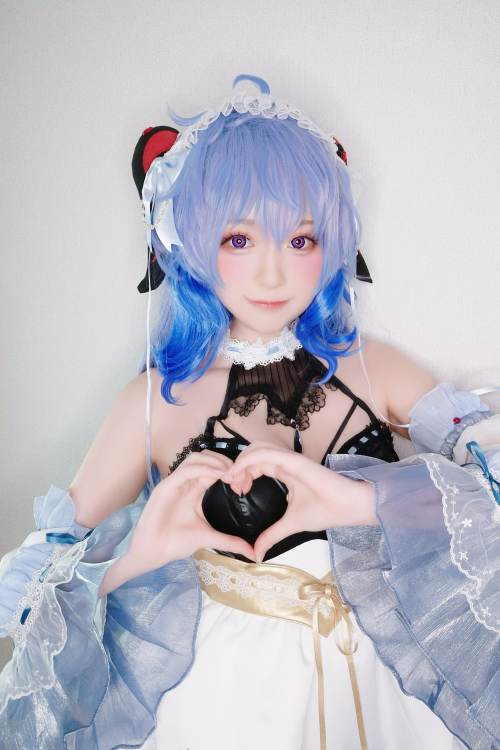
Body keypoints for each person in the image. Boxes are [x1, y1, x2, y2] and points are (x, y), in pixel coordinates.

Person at [0, 73, 499, 750]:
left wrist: (363, 503)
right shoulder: (153, 403)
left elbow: (492, 489)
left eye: (300, 240)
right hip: (224, 696)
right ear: (185, 239)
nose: (273, 274)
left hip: (387, 682)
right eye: (239, 240)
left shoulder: (372, 368)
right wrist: (134, 559)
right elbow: (27, 603)